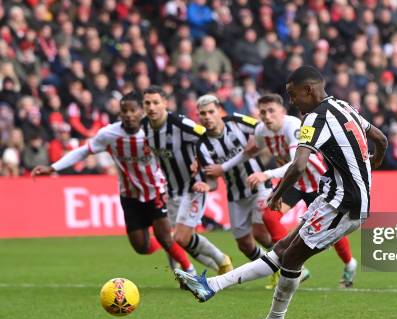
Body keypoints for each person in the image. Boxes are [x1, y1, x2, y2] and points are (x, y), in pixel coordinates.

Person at [175, 65, 388, 319]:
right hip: (335, 197)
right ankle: (212, 286)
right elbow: (380, 138)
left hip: (343, 204)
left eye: (293, 94)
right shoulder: (344, 106)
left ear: (308, 90)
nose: (291, 101)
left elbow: (299, 165)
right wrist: (374, 162)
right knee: (281, 249)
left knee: (290, 260)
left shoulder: (313, 119)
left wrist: (276, 194)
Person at [32, 92, 196, 275]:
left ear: (141, 111)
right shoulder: (109, 134)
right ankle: (171, 238)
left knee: (163, 236)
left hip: (155, 191)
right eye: (124, 111)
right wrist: (53, 167)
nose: (128, 114)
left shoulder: (152, 132)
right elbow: (83, 151)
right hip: (129, 195)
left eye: (133, 110)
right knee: (141, 247)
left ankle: (190, 271)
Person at [226, 93, 358, 288]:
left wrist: (267, 174)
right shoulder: (262, 130)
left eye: (272, 111)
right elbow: (251, 151)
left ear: (282, 111)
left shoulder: (293, 125)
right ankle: (294, 265)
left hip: (317, 182)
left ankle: (349, 263)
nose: (267, 116)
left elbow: (297, 163)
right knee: (269, 217)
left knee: (330, 231)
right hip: (295, 183)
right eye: (263, 112)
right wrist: (224, 167)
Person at [141, 86, 233, 275]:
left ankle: (221, 260)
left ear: (165, 103)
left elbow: (208, 135)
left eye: (156, 102)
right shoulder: (143, 126)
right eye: (147, 103)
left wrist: (199, 159)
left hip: (194, 186)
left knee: (180, 236)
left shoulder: (179, 124)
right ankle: (196, 271)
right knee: (170, 236)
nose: (151, 107)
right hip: (170, 189)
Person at [193, 94, 274, 262]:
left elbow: (262, 129)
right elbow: (213, 180)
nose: (207, 117)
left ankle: (291, 265)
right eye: (203, 114)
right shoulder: (202, 145)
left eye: (210, 112)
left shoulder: (236, 120)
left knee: (260, 232)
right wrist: (208, 187)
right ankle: (274, 267)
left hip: (259, 185)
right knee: (244, 244)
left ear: (219, 111)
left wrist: (257, 141)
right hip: (235, 194)